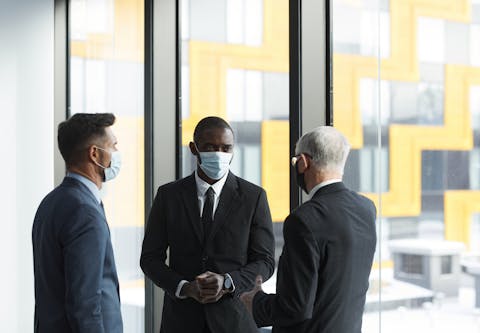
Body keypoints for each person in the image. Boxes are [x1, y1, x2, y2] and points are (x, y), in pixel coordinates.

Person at [140, 116, 275, 333]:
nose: (219, 154)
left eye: (226, 148)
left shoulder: (253, 197)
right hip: (181, 322)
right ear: (194, 148)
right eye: (210, 147)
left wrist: (228, 282)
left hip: (235, 322)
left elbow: (265, 261)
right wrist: (184, 287)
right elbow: (150, 258)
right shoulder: (169, 196)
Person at [240, 126, 377, 333]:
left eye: (295, 162)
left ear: (304, 162)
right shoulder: (366, 208)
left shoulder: (304, 219)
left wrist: (255, 301)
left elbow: (295, 307)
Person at [32, 113, 123, 333]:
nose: (117, 154)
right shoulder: (84, 212)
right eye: (113, 146)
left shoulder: (52, 201)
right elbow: (84, 303)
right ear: (94, 153)